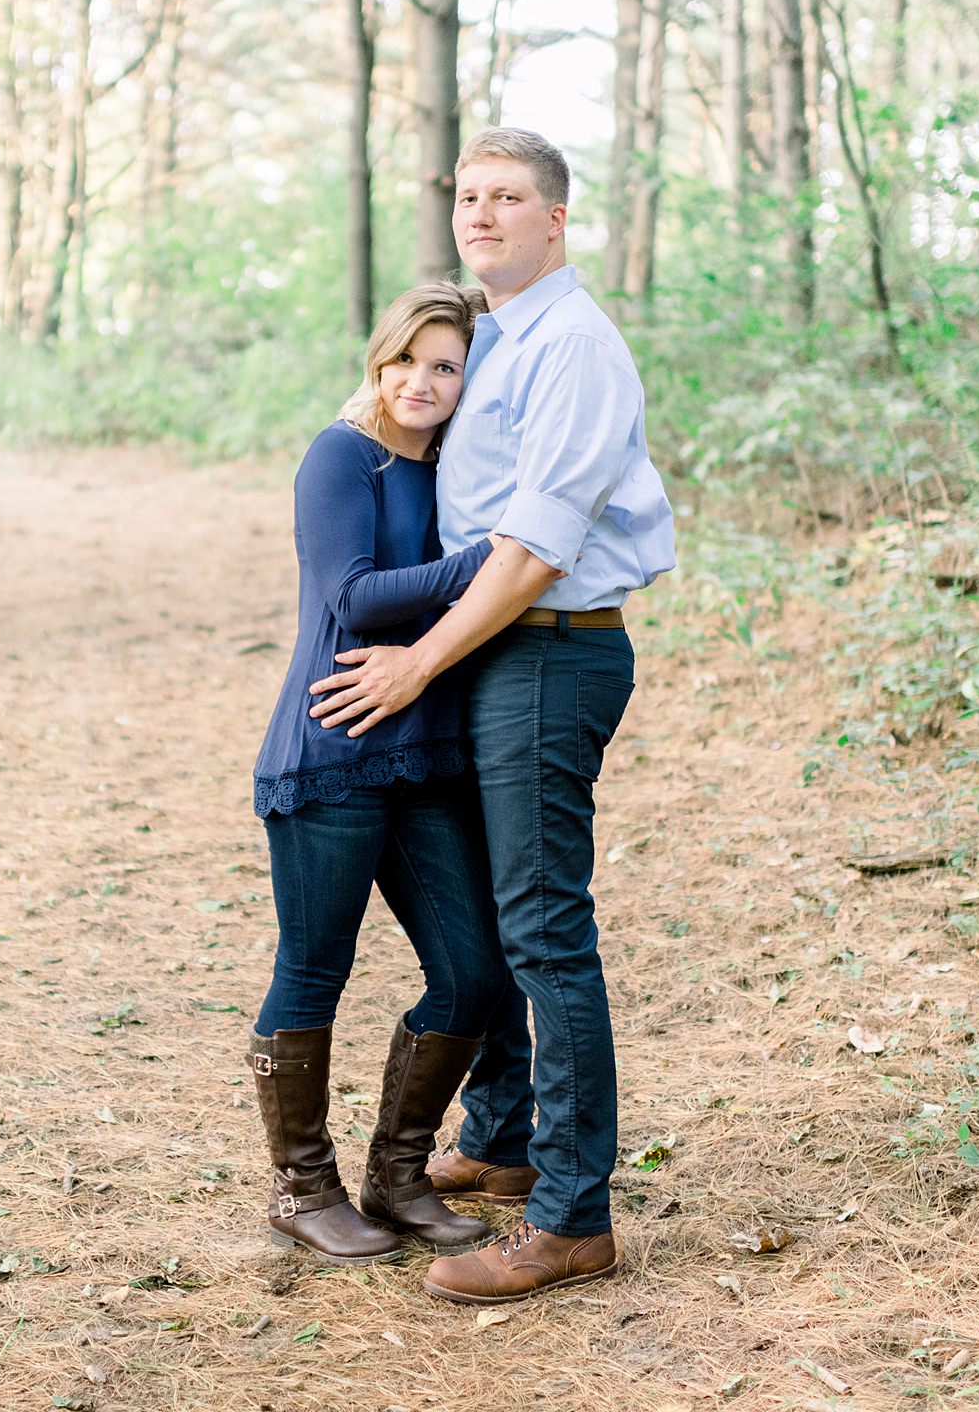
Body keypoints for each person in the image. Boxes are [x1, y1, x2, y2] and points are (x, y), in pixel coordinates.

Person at [308, 128, 675, 1303]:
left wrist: (415, 664)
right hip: (493, 655)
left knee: (544, 929)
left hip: (544, 653)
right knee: (499, 916)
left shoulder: (574, 348)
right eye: (469, 196)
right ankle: (510, 1137)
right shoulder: (500, 335)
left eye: (508, 197)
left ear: (555, 219)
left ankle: (573, 1216)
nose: (483, 213)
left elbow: (528, 555)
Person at [246, 281, 515, 1266]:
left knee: (475, 971)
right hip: (332, 753)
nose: (424, 379)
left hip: (426, 758)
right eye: (409, 358)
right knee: (315, 968)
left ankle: (397, 1176)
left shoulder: (453, 473)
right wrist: (495, 555)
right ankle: (299, 1186)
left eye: (447, 365)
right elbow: (353, 598)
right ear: (381, 359)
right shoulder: (341, 456)